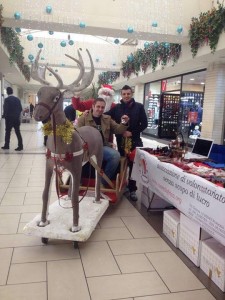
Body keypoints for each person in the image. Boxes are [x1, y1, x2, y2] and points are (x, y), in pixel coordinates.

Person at [105, 85, 148, 201]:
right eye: (124, 94)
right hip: (121, 140)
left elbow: (144, 124)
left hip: (134, 140)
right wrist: (90, 112)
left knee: (133, 165)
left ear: (132, 94)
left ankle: (133, 189)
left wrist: (132, 132)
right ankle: (123, 185)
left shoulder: (139, 107)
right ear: (121, 94)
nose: (126, 96)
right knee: (122, 163)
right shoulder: (117, 108)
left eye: (128, 94)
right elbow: (105, 116)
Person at [77, 97, 129, 187]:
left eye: (102, 107)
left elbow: (117, 129)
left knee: (115, 156)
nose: (100, 109)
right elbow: (78, 135)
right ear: (93, 106)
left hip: (101, 147)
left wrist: (124, 123)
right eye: (98, 107)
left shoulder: (107, 118)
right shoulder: (83, 118)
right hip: (86, 148)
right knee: (76, 156)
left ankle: (102, 182)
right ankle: (78, 180)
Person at [1, 87, 23, 151]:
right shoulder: (17, 99)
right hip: (16, 119)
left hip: (9, 119)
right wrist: (16, 115)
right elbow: (20, 109)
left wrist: (4, 116)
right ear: (12, 91)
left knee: (8, 132)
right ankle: (20, 146)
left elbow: (6, 109)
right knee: (18, 132)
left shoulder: (7, 100)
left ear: (7, 92)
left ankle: (7, 145)